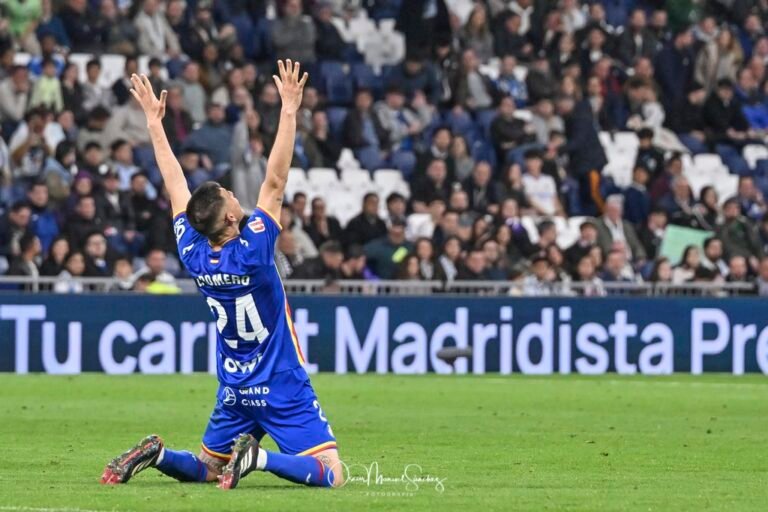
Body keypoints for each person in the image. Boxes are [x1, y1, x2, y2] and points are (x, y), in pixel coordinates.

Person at [101, 62, 343, 489]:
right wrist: (289, 110)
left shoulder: (192, 250)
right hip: (280, 381)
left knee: (208, 468)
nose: (236, 194)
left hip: (235, 385)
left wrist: (154, 124)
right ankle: (260, 459)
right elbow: (276, 179)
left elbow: (174, 181)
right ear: (232, 216)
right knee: (332, 475)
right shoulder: (253, 247)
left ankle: (158, 455)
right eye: (231, 194)